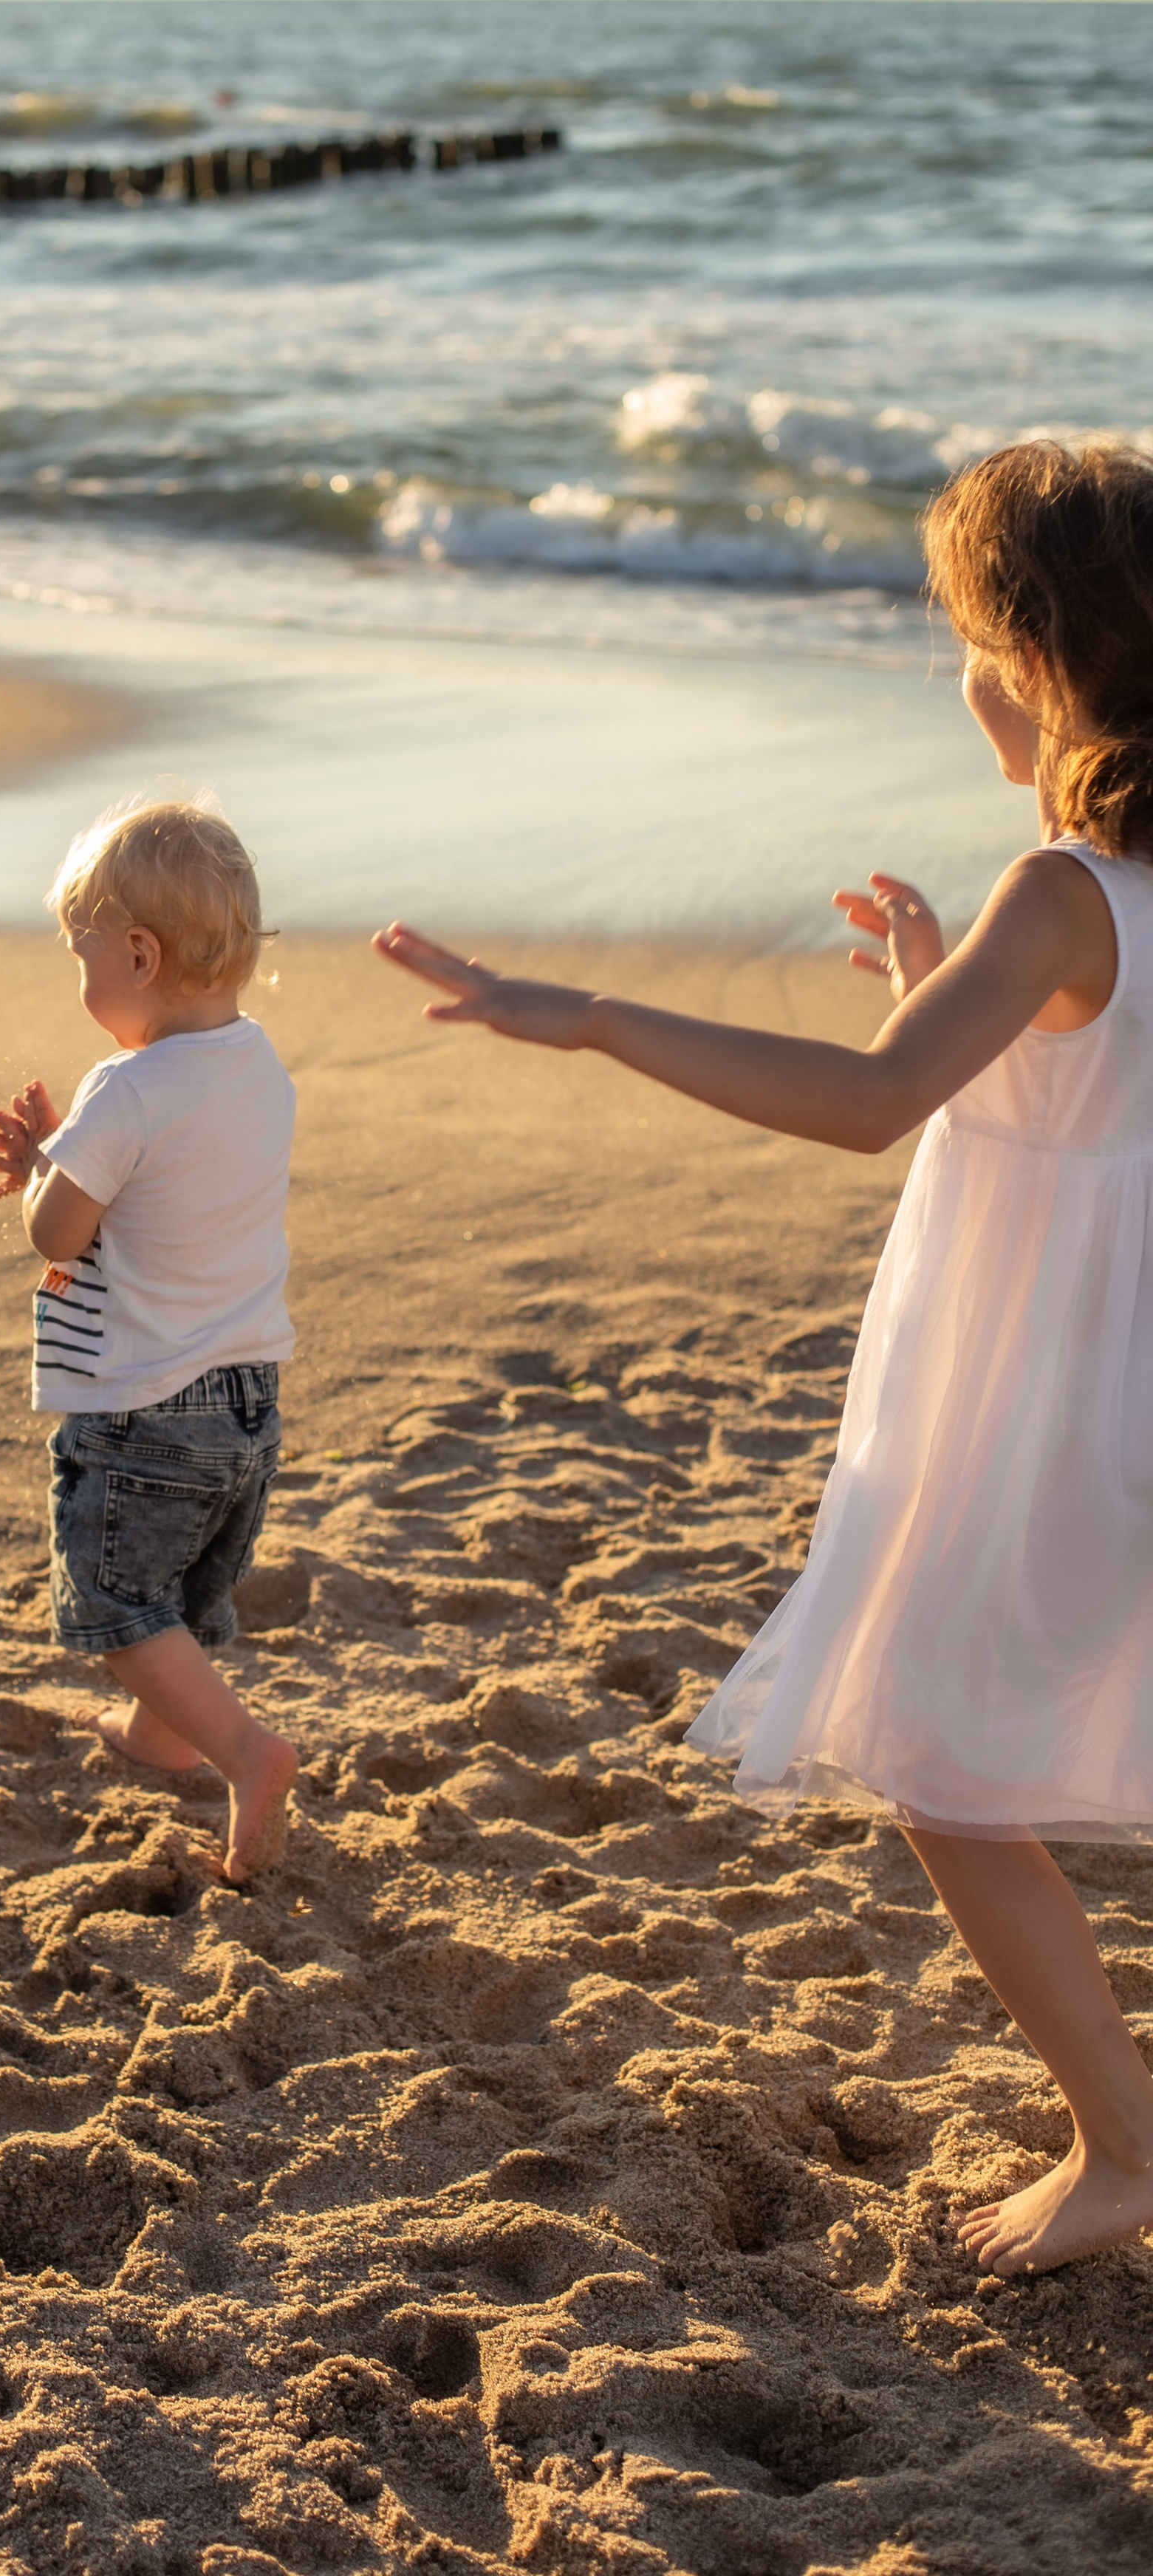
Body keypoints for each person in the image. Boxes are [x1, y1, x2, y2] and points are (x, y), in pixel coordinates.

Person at [375, 440, 1153, 2278]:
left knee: (949, 1772)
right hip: (1114, 1360)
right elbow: (1062, 1077)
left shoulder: (1058, 890)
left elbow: (879, 1107)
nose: (953, 671)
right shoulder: (1090, 894)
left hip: (1038, 1391)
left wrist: (584, 1019)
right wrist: (931, 971)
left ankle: (1125, 2148)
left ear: (1033, 657)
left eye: (966, 636)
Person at [0, 799, 298, 1884]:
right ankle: (164, 1735)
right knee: (185, 1591)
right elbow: (170, 1196)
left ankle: (246, 1754)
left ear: (140, 955)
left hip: (145, 1404)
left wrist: (47, 1173)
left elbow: (58, 1232)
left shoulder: (127, 1087)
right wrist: (70, 1152)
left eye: (85, 959)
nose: (84, 983)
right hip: (245, 1401)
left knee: (116, 1607)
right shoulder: (258, 1067)